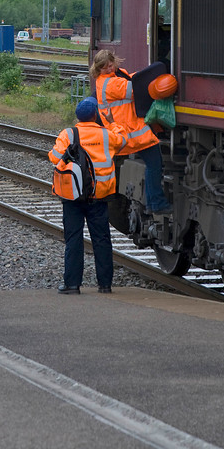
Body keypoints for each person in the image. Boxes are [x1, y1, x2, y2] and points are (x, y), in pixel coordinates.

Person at [48, 97, 125, 295]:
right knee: (101, 239)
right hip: (99, 196)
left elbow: (54, 158)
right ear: (96, 115)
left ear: (77, 116)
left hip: (72, 195)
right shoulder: (107, 135)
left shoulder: (69, 134)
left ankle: (72, 285)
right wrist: (112, 122)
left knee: (73, 238)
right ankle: (105, 285)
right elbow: (123, 140)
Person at [90, 49, 172, 216]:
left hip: (128, 132)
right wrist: (157, 74)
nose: (109, 69)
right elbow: (135, 88)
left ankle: (154, 202)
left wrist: (145, 73)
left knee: (153, 164)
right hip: (131, 133)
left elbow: (130, 78)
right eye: (105, 67)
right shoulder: (110, 83)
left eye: (111, 65)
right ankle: (155, 203)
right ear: (98, 68)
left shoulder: (109, 79)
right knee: (154, 164)